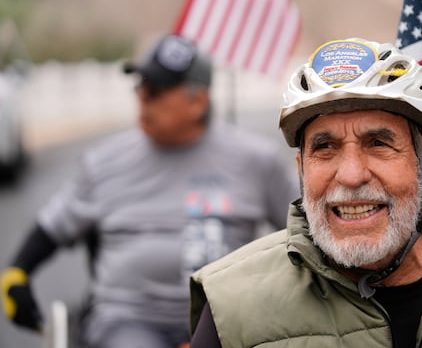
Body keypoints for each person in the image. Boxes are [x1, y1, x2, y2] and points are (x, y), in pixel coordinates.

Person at [187, 38, 422, 347]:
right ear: (302, 171)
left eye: (378, 143)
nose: (352, 175)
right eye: (325, 147)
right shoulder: (233, 305)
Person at [0, 34, 299, 348]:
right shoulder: (105, 162)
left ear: (198, 101)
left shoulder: (255, 161)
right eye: (139, 86)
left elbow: (303, 231)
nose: (142, 97)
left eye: (154, 90)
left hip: (226, 316)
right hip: (127, 321)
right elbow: (53, 227)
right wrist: (17, 273)